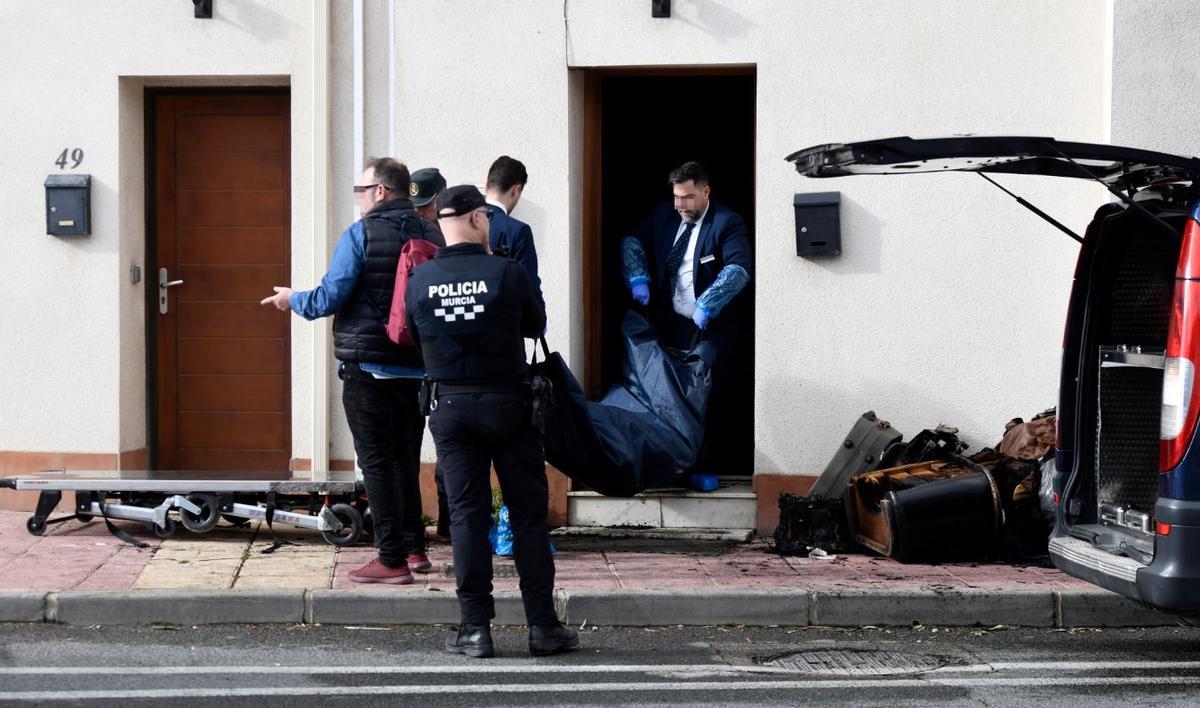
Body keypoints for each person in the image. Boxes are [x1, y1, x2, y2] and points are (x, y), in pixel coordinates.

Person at [406, 184, 578, 658]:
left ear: (442, 224)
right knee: (527, 516)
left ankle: (474, 630)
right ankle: (543, 628)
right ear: (480, 219)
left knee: (466, 516)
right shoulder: (507, 271)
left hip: (450, 408)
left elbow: (412, 336)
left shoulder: (420, 279)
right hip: (510, 405)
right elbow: (535, 325)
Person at [261, 157, 441, 585]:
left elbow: (330, 296)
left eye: (362, 191)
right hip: (417, 371)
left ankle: (392, 559)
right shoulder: (433, 232)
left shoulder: (359, 234)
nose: (359, 199)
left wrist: (293, 299)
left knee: (376, 463)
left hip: (369, 368)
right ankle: (415, 550)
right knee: (405, 462)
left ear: (380, 191)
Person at [621, 161, 752, 492]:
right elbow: (632, 240)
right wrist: (638, 276)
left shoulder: (726, 223)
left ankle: (705, 466)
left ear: (706, 192)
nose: (681, 204)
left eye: (688, 197)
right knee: (667, 395)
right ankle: (671, 465)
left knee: (706, 399)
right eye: (677, 196)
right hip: (671, 325)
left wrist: (709, 304)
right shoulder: (666, 215)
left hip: (709, 328)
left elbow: (738, 268)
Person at [410, 166, 452, 538]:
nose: (423, 211)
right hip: (434, 357)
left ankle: (442, 524)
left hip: (414, 356)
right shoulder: (445, 239)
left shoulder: (412, 234)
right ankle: (449, 524)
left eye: (426, 204)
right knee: (447, 445)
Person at [485, 156, 544, 306]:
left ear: (486, 186)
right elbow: (528, 288)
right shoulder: (518, 231)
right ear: (516, 190)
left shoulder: (461, 224)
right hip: (504, 322)